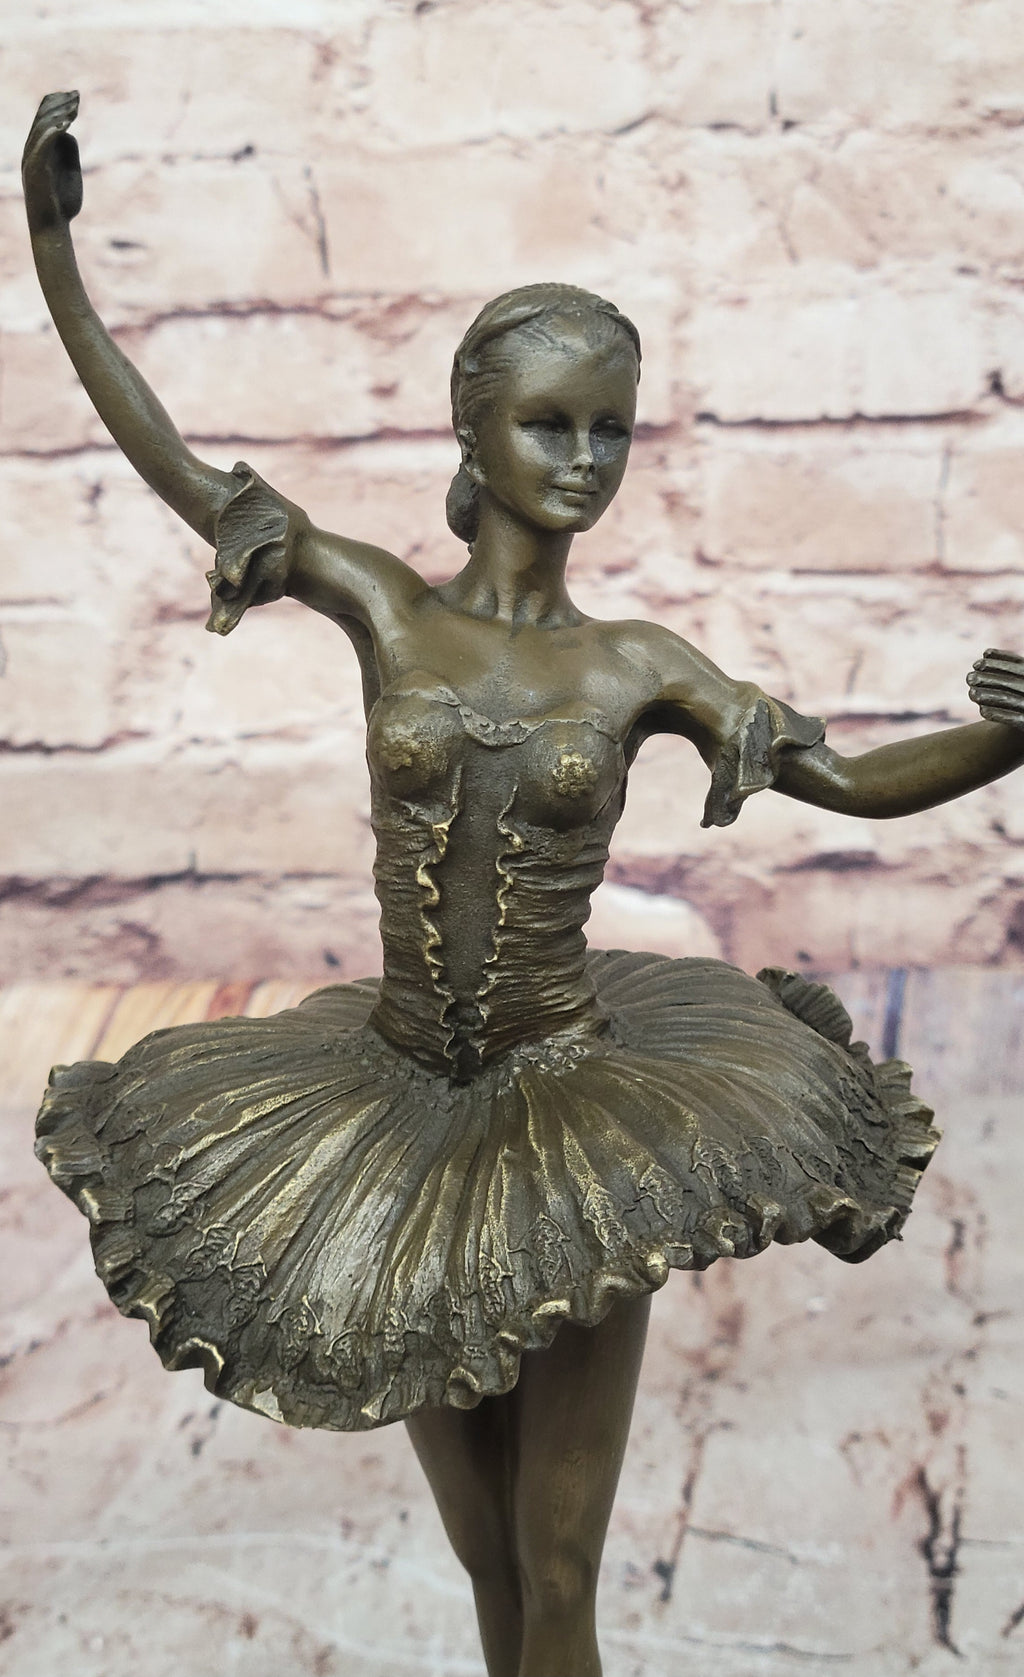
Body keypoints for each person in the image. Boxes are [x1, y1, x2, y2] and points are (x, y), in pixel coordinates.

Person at [22, 92, 1024, 1677]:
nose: (584, 459)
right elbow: (182, 472)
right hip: (393, 1110)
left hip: (574, 1115)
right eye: (551, 424)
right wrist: (55, 256)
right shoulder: (386, 607)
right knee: (486, 1545)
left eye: (610, 429)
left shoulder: (636, 664)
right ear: (470, 433)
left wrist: (1004, 739)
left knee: (559, 1565)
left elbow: (849, 782)